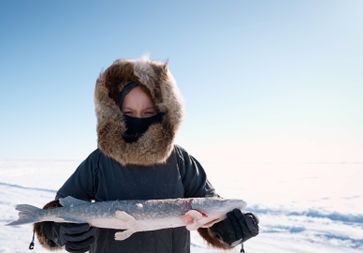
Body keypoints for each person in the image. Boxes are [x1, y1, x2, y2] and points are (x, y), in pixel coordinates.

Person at [33, 56, 259, 253]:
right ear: (114, 114)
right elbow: (58, 208)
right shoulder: (99, 161)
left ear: (163, 114)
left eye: (148, 112)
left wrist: (230, 228)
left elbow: (208, 209)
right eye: (129, 112)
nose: (138, 120)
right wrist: (60, 230)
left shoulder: (181, 161)